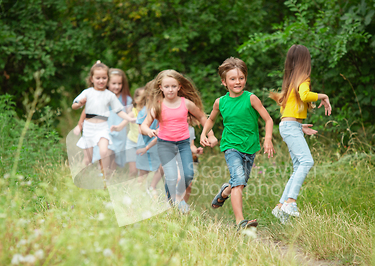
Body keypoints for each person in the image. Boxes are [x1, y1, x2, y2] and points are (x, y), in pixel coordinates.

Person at [200, 57, 275, 230]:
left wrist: (268, 138)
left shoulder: (251, 99)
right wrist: (204, 133)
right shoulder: (221, 102)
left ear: (245, 79)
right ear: (224, 82)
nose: (237, 82)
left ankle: (224, 192)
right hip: (231, 146)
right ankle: (240, 222)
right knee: (239, 181)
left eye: (241, 78)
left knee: (239, 183)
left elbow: (268, 119)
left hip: (250, 147)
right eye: (232, 79)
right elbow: (211, 119)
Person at [269, 44, 332, 222]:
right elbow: (305, 96)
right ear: (306, 60)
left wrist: (299, 126)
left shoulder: (291, 80)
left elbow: (289, 110)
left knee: (299, 166)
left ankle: (281, 206)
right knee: (307, 161)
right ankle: (290, 201)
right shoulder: (303, 78)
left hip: (290, 126)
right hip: (290, 127)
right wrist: (324, 96)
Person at [141, 70, 218, 211]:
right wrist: (150, 131)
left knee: (188, 174)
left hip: (183, 145)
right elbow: (143, 126)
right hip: (165, 145)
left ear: (179, 87)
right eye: (167, 87)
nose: (170, 90)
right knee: (171, 176)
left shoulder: (186, 103)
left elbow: (202, 117)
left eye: (173, 86)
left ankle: (176, 200)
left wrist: (210, 135)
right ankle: (173, 204)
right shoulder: (157, 106)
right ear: (161, 88)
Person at [72, 61, 136, 178]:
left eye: (104, 78)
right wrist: (79, 123)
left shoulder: (114, 97)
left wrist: (129, 119)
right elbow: (80, 108)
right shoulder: (90, 93)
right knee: (93, 157)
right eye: (98, 78)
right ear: (92, 79)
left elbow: (121, 111)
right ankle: (86, 176)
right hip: (95, 128)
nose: (101, 81)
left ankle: (106, 178)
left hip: (110, 130)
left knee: (109, 155)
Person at [111, 86, 143, 178]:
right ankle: (129, 188)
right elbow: (122, 125)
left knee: (143, 171)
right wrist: (116, 127)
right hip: (132, 143)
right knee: (133, 171)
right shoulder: (133, 112)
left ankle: (141, 188)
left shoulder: (151, 112)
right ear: (136, 100)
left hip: (144, 145)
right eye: (143, 97)